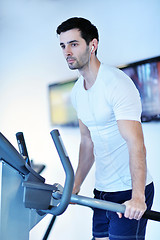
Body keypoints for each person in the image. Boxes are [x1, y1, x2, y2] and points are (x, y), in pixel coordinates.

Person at [56, 17, 154, 240]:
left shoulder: (117, 83)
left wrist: (138, 196)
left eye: (73, 44)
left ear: (92, 45)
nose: (66, 52)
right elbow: (87, 142)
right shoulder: (77, 92)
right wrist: (76, 185)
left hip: (128, 192)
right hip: (101, 191)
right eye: (63, 46)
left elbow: (135, 143)